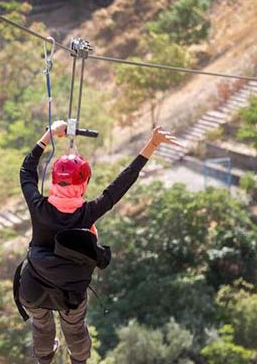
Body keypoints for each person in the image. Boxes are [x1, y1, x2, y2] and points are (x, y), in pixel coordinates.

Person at [14, 120, 182, 364]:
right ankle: (78, 361)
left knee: (41, 325)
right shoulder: (88, 213)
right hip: (70, 292)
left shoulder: (38, 206)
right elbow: (122, 182)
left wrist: (48, 136)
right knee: (74, 328)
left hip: (32, 287)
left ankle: (44, 359)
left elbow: (26, 172)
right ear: (83, 184)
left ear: (53, 181)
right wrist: (152, 144)